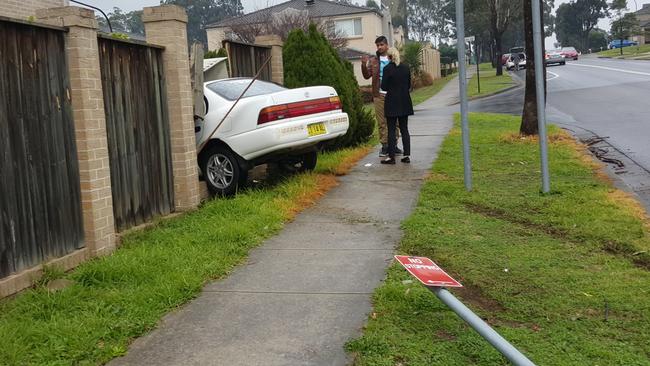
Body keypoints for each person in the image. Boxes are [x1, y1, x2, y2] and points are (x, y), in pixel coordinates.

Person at [361, 36, 401, 157]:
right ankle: (385, 147)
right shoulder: (374, 60)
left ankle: (394, 145)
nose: (379, 47)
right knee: (382, 122)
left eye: (381, 45)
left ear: (387, 45)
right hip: (379, 95)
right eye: (377, 45)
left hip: (393, 94)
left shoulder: (393, 58)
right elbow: (366, 76)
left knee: (395, 121)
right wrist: (363, 64)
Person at [380, 47, 413, 165]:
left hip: (392, 102)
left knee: (391, 129)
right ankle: (407, 155)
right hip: (404, 101)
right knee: (404, 129)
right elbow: (409, 85)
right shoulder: (406, 68)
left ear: (389, 57)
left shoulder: (387, 69)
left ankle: (391, 157)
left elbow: (383, 87)